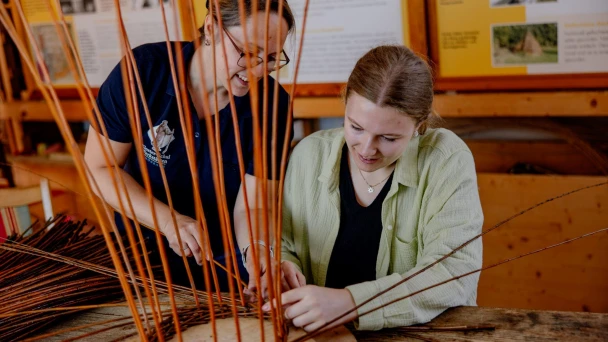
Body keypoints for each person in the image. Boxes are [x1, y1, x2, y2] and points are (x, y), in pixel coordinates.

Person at [84, 0, 295, 291]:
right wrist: (169, 221)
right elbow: (100, 167)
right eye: (248, 53)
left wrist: (256, 249)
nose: (258, 70)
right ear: (212, 28)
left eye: (271, 58)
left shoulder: (273, 105)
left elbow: (255, 204)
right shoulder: (143, 72)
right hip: (141, 260)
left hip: (223, 265)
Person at [272, 45, 484, 331]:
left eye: (388, 137)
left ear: (419, 126)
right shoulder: (309, 154)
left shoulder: (445, 159)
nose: (367, 149)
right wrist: (285, 269)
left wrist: (351, 303)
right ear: (345, 105)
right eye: (355, 127)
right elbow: (284, 244)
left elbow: (454, 272)